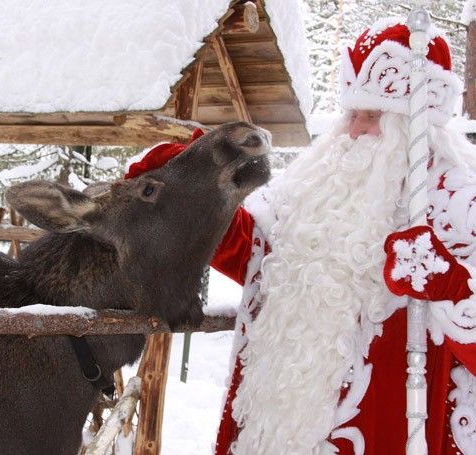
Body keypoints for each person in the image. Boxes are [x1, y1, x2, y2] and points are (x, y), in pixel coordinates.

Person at [125, 17, 476, 454]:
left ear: (415, 126)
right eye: (351, 113)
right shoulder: (317, 192)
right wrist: (191, 190)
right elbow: (256, 260)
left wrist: (450, 285)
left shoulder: (456, 203)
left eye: (371, 116)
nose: (352, 131)